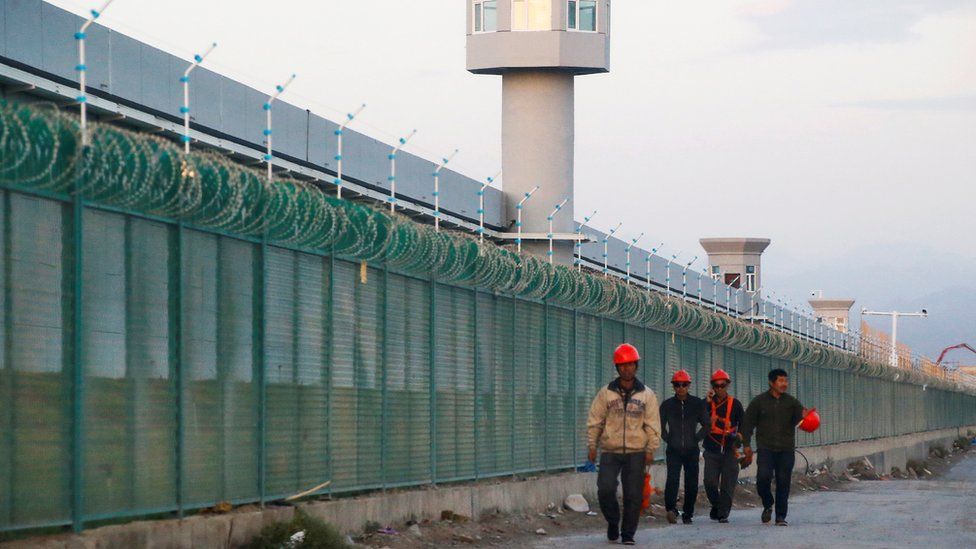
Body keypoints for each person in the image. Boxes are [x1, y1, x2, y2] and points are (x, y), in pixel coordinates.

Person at [587, 343, 661, 545]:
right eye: (622, 365)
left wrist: (650, 448)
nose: (626, 369)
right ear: (617, 368)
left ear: (636, 366)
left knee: (633, 494)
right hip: (610, 450)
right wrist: (592, 445)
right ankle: (613, 521)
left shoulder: (647, 395)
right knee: (605, 488)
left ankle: (628, 533)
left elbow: (653, 424)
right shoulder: (606, 394)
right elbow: (595, 420)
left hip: (637, 451)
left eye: (630, 365)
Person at [740, 368, 808, 526]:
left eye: (786, 381)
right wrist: (746, 445)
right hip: (766, 449)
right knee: (763, 478)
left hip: (786, 450)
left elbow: (803, 421)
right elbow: (747, 424)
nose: (784, 384)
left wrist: (806, 417)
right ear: (771, 382)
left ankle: (781, 517)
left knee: (783, 482)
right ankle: (767, 503)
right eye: (781, 381)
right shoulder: (759, 402)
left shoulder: (791, 402)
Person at [659, 369, 709, 524]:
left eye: (684, 385)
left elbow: (707, 424)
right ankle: (671, 510)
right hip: (673, 450)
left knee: (691, 482)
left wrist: (696, 439)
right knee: (672, 480)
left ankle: (688, 513)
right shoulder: (667, 405)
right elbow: (660, 426)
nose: (681, 388)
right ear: (673, 386)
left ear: (689, 386)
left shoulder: (696, 404)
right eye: (677, 385)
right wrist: (669, 440)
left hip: (691, 450)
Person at [702, 369, 746, 523]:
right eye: (716, 386)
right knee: (709, 481)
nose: (719, 389)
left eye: (722, 385)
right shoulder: (707, 404)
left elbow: (744, 424)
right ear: (713, 387)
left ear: (727, 385)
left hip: (729, 449)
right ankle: (717, 505)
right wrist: (705, 402)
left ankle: (723, 514)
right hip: (711, 450)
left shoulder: (735, 404)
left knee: (728, 483)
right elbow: (698, 417)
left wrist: (740, 438)